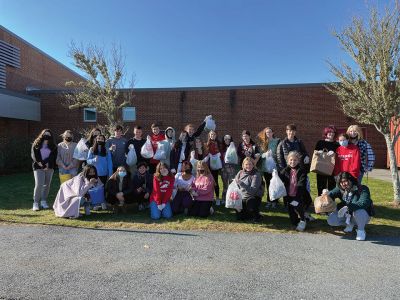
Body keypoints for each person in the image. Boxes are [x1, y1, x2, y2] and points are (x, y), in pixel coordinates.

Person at [324, 172, 374, 241]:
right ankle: (350, 223)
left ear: (351, 180)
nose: (343, 184)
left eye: (345, 181)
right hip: (348, 214)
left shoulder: (362, 188)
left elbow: (364, 202)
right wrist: (326, 195)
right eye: (341, 182)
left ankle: (361, 230)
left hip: (362, 215)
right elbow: (331, 194)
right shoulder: (341, 189)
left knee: (359, 211)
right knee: (331, 220)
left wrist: (349, 207)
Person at [279, 151, 308, 231]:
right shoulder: (285, 171)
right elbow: (279, 179)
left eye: (295, 160)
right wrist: (275, 175)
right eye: (291, 160)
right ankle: (296, 221)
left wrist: (298, 195)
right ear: (288, 161)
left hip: (298, 194)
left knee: (298, 207)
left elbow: (301, 183)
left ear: (298, 161)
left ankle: (303, 219)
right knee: (292, 214)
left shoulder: (301, 170)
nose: (293, 162)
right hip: (288, 195)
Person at [31, 129, 57, 211]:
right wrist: (41, 164)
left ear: (51, 136)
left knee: (47, 185)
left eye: (48, 134)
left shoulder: (53, 146)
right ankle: (35, 203)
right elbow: (34, 155)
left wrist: (47, 164)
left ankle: (43, 201)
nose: (46, 135)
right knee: (39, 184)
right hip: (38, 167)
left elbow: (53, 156)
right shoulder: (36, 143)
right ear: (41, 135)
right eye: (45, 134)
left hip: (49, 167)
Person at [257, 127, 281, 209]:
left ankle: (275, 201)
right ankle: (269, 200)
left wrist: (272, 155)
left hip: (274, 166)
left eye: (270, 132)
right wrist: (264, 155)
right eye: (267, 132)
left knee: (275, 183)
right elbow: (260, 154)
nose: (268, 134)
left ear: (273, 132)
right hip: (265, 167)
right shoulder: (263, 143)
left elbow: (279, 153)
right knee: (268, 184)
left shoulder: (277, 141)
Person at [234, 157, 263, 223]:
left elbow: (252, 191)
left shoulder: (256, 175)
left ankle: (257, 216)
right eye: (246, 164)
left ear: (253, 165)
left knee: (251, 203)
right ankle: (249, 214)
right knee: (241, 218)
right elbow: (236, 185)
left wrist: (241, 183)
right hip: (241, 196)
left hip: (252, 197)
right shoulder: (240, 172)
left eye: (250, 164)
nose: (248, 166)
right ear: (243, 165)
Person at [314, 125, 340, 195]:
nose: (331, 133)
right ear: (326, 133)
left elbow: (340, 156)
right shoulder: (320, 142)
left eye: (333, 132)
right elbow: (315, 153)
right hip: (321, 167)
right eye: (329, 132)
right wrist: (319, 152)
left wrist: (334, 153)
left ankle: (330, 202)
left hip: (332, 168)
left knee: (332, 186)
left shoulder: (337, 144)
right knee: (321, 186)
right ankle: (320, 202)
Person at [204, 130, 223, 204]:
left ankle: (217, 198)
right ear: (209, 135)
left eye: (214, 134)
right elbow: (205, 153)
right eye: (211, 134)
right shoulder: (207, 144)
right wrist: (208, 155)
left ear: (216, 135)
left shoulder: (218, 143)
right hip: (208, 164)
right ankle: (210, 197)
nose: (212, 136)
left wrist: (218, 154)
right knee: (208, 182)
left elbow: (221, 151)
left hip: (216, 164)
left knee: (215, 181)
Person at [220, 135, 238, 202]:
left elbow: (235, 158)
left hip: (231, 168)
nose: (227, 140)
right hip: (224, 168)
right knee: (225, 184)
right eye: (225, 139)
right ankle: (224, 198)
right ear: (224, 140)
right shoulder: (221, 148)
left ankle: (231, 199)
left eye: (228, 139)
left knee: (231, 183)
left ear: (231, 140)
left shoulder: (233, 147)